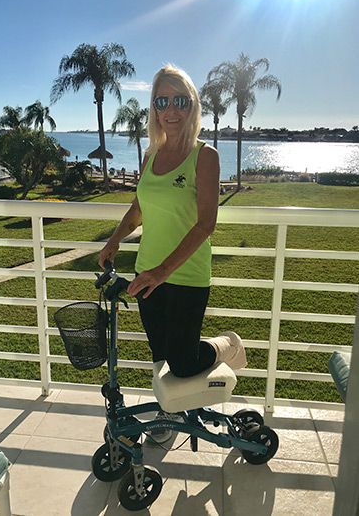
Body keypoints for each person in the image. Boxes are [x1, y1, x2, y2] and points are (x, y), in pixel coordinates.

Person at [99, 64, 246, 442]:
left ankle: (225, 344)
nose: (171, 109)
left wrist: (162, 272)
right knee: (160, 355)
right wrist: (115, 240)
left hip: (185, 275)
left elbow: (205, 224)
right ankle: (169, 415)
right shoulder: (150, 157)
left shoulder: (205, 156)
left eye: (179, 100)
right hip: (148, 270)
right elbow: (138, 208)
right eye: (162, 101)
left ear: (192, 105)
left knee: (181, 362)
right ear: (155, 108)